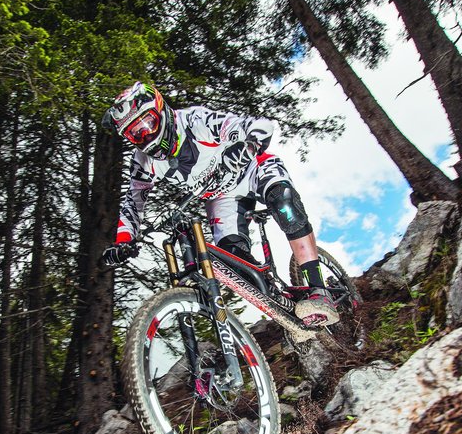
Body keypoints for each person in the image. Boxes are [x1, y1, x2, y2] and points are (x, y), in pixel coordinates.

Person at [100, 82, 338, 326]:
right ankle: (282, 305)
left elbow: (261, 126)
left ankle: (320, 290)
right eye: (135, 133)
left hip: (252, 169)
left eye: (148, 123)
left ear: (161, 110)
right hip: (221, 197)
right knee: (235, 263)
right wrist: (124, 241)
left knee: (284, 203)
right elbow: (132, 202)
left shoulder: (194, 121)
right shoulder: (143, 161)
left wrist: (247, 145)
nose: (146, 136)